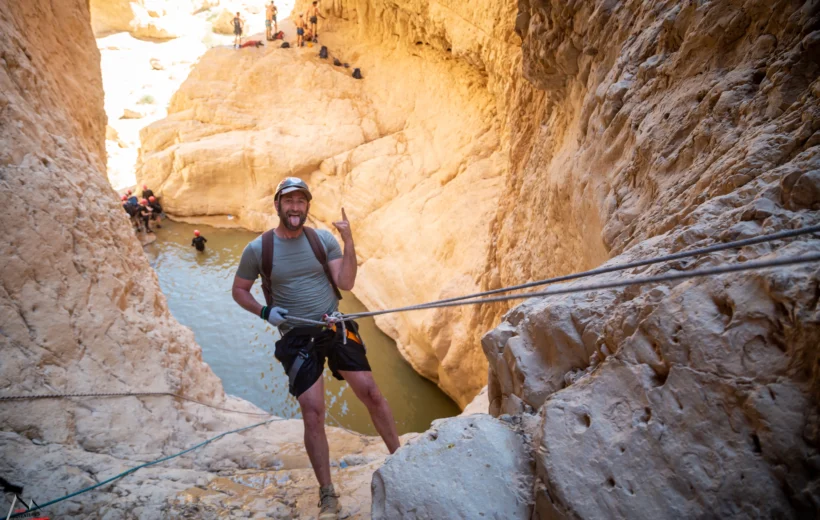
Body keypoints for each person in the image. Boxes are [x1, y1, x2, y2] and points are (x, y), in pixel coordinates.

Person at [231, 178, 399, 520]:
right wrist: (265, 312)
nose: (295, 207)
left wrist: (349, 240)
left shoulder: (322, 239)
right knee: (313, 412)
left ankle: (401, 459)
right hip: (296, 336)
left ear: (308, 206)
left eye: (301, 201)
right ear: (277, 205)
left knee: (372, 393)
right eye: (289, 201)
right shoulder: (258, 249)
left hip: (333, 325)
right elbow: (239, 290)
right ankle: (327, 493)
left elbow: (346, 282)